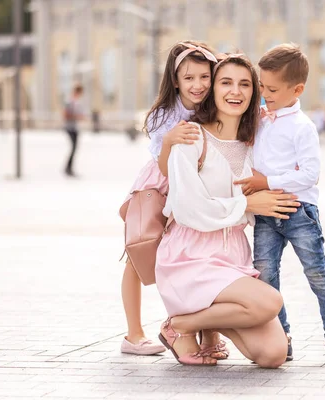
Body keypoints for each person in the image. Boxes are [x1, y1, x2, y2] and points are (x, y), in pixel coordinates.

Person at [155, 54, 300, 367]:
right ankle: (181, 325)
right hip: (191, 256)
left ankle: (191, 322)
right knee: (270, 301)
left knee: (273, 353)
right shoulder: (191, 137)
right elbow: (187, 208)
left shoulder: (255, 144)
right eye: (226, 83)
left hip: (232, 257)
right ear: (213, 90)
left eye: (245, 84)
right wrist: (247, 204)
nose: (236, 91)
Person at [234, 43, 325, 366]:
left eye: (271, 89)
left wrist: (266, 182)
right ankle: (281, 337)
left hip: (299, 212)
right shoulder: (258, 120)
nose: (263, 92)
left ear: (296, 90)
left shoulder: (303, 127)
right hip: (266, 213)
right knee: (266, 275)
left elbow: (311, 174)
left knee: (317, 273)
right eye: (262, 85)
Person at [118, 41, 219, 356]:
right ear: (176, 81)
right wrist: (170, 142)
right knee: (139, 254)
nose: (198, 85)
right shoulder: (166, 113)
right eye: (189, 78)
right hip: (159, 188)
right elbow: (163, 166)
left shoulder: (215, 106)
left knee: (198, 255)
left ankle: (205, 334)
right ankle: (133, 335)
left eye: (204, 77)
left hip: (196, 188)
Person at [64, 84, 86, 178]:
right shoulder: (70, 102)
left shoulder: (77, 102)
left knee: (74, 148)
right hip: (70, 127)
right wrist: (77, 117)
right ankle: (68, 168)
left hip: (75, 127)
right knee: (73, 148)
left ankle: (69, 168)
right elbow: (66, 115)